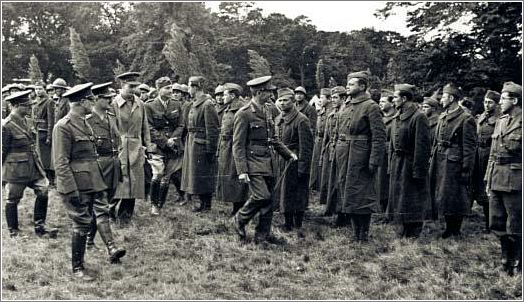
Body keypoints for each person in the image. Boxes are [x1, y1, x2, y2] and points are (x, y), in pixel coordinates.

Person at [53, 83, 125, 281]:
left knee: (93, 217)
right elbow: (60, 163)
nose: (93, 103)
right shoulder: (63, 127)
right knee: (81, 223)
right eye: (91, 100)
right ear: (82, 102)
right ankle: (77, 268)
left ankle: (92, 257)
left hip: (93, 179)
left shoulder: (85, 123)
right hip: (77, 184)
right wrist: (70, 190)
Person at [231, 75, 297, 243]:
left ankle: (262, 237)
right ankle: (239, 219)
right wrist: (242, 170)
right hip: (252, 162)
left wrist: (288, 154)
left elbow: (273, 139)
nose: (272, 94)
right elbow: (238, 144)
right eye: (269, 91)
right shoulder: (244, 114)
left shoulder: (268, 110)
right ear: (260, 92)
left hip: (269, 162)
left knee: (269, 201)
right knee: (261, 196)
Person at [2, 90, 58, 238]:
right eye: (26, 106)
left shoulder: (27, 121)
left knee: (43, 190)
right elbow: (2, 151)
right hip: (16, 169)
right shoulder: (6, 126)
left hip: (33, 166)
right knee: (13, 198)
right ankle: (13, 231)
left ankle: (40, 226)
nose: (29, 108)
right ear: (16, 106)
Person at [339, 71, 386, 242]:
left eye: (351, 84)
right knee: (349, 194)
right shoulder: (347, 105)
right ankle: (355, 232)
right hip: (345, 156)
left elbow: (379, 137)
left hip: (362, 157)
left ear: (362, 86)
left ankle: (363, 234)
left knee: (362, 196)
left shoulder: (371, 106)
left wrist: (374, 160)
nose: (348, 87)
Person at [429, 83, 477, 238]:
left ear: (451, 98)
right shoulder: (443, 115)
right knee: (443, 194)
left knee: (455, 195)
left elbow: (469, 147)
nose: (441, 100)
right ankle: (449, 226)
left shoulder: (466, 118)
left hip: (455, 161)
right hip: (441, 158)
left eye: (443, 96)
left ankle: (454, 228)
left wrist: (466, 169)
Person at [485, 81, 522, 276]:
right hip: (498, 176)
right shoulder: (501, 120)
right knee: (497, 221)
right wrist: (488, 179)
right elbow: (493, 153)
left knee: (516, 222)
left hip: (516, 179)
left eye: (503, 98)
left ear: (514, 100)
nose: (499, 102)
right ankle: (506, 258)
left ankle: (520, 261)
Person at [386, 84, 431, 238]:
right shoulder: (397, 116)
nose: (393, 101)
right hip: (398, 162)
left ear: (404, 99)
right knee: (401, 196)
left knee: (413, 197)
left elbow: (422, 147)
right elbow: (392, 143)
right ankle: (404, 226)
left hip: (411, 164)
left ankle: (414, 230)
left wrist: (418, 171)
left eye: (396, 98)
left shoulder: (419, 117)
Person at [111, 72, 152, 224]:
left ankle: (125, 216)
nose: (134, 90)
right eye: (130, 87)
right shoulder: (114, 103)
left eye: (136, 86)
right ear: (122, 86)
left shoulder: (140, 103)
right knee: (119, 182)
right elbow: (111, 127)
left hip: (136, 147)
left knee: (135, 183)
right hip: (120, 147)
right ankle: (109, 211)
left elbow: (145, 127)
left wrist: (148, 146)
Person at [85, 82, 121, 250]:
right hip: (98, 165)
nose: (110, 101)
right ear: (97, 99)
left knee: (102, 204)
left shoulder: (111, 117)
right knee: (101, 204)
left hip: (113, 164)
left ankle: (89, 240)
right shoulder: (88, 121)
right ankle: (109, 246)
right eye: (106, 98)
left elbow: (118, 139)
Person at [274, 88, 313, 233]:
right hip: (282, 158)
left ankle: (297, 223)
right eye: (280, 100)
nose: (283, 103)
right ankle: (287, 221)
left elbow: (306, 146)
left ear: (292, 101)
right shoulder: (278, 118)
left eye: (286, 100)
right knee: (284, 192)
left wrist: (303, 167)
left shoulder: (301, 119)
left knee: (297, 192)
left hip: (295, 160)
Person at [145, 77, 184, 215]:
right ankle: (154, 204)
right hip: (158, 145)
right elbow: (148, 127)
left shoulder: (176, 104)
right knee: (158, 174)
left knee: (167, 176)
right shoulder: (149, 106)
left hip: (173, 145)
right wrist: (164, 141)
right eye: (167, 88)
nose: (170, 90)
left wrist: (173, 138)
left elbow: (181, 124)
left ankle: (161, 203)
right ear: (158, 89)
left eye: (171, 87)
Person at [180, 76, 219, 212]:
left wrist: (211, 149)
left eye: (190, 86)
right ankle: (201, 203)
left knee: (204, 174)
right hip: (193, 141)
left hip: (201, 143)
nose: (188, 89)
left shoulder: (207, 104)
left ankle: (206, 204)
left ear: (195, 87)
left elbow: (213, 129)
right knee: (196, 175)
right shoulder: (195, 103)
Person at [216, 83, 249, 216]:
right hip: (226, 146)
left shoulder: (241, 109)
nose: (222, 97)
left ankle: (239, 207)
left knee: (235, 177)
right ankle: (236, 206)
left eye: (224, 95)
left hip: (234, 146)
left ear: (232, 95)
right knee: (229, 177)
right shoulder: (228, 108)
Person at [472, 90, 500, 233]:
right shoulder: (482, 117)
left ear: (496, 104)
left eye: (490, 102)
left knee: (490, 190)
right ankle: (487, 223)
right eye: (485, 102)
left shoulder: (500, 119)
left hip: (490, 155)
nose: (486, 105)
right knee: (481, 190)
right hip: (479, 156)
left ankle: (492, 224)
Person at [321, 86, 346, 219]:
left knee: (339, 181)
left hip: (342, 151)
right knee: (330, 180)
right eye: (332, 98)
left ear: (343, 98)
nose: (333, 100)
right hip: (331, 150)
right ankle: (331, 208)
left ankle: (340, 211)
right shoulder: (331, 113)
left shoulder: (345, 113)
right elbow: (326, 136)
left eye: (336, 97)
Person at [31, 81, 55, 187]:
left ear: (44, 89)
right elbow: (33, 118)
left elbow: (51, 120)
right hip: (37, 131)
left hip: (45, 132)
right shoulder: (35, 101)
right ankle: (44, 178)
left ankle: (51, 179)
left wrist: (49, 136)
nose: (38, 91)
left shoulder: (49, 102)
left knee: (47, 158)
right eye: (36, 89)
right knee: (39, 157)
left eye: (40, 88)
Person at [377, 89, 396, 215]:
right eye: (379, 101)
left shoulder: (395, 118)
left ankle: (388, 207)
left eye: (383, 101)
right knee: (380, 181)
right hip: (381, 153)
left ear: (391, 103)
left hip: (389, 154)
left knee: (387, 181)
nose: (380, 103)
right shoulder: (381, 118)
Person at [309, 88, 331, 193]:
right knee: (316, 163)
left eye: (322, 97)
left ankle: (321, 187)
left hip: (325, 140)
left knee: (323, 164)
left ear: (329, 99)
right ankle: (315, 186)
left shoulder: (331, 111)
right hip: (318, 139)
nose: (320, 100)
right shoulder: (322, 109)